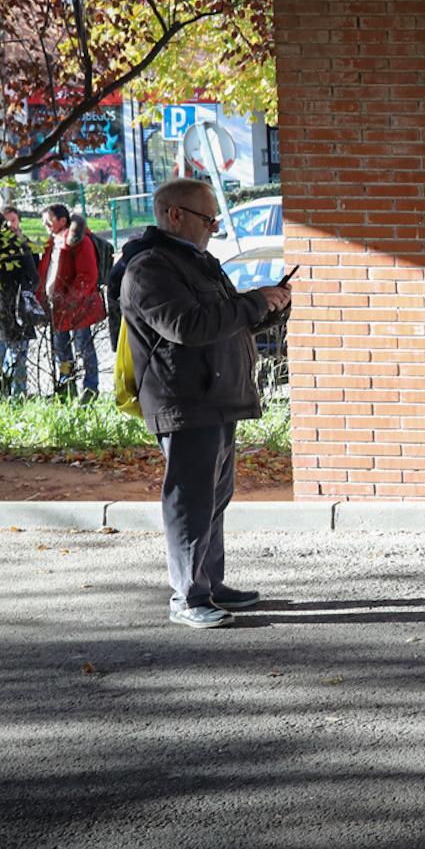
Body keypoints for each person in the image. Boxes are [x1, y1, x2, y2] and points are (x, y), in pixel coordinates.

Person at [119, 178, 292, 629]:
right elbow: (187, 326)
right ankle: (188, 596)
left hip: (215, 394)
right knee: (190, 499)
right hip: (185, 398)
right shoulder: (149, 268)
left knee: (215, 496)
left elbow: (223, 321)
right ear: (175, 215)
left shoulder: (197, 261)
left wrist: (266, 307)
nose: (214, 228)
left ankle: (208, 584)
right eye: (208, 218)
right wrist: (252, 304)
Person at [40, 204, 105, 396]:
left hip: (76, 306)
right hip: (56, 306)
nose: (45, 224)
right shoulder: (51, 242)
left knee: (83, 348)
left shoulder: (79, 242)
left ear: (62, 220)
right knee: (62, 352)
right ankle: (66, 388)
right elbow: (45, 272)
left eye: (49, 219)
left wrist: (70, 300)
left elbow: (87, 275)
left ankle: (90, 388)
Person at [0, 209, 39, 395]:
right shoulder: (19, 244)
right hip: (16, 307)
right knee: (18, 357)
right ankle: (18, 396)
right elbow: (33, 277)